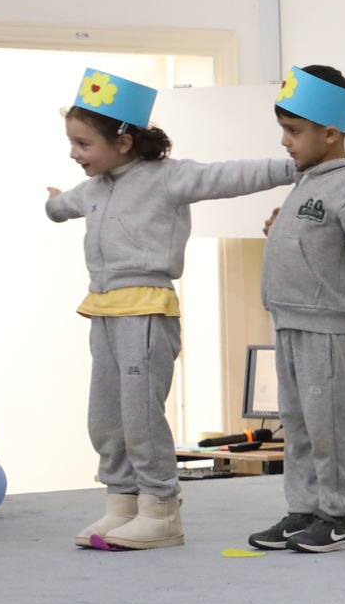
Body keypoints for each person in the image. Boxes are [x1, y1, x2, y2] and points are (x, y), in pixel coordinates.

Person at [48, 69, 294, 550]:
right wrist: (54, 205)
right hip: (103, 312)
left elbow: (229, 176)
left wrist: (292, 169)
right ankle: (122, 502)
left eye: (82, 143)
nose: (74, 153)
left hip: (146, 311)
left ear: (123, 142)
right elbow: (63, 208)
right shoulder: (95, 187)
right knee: (105, 416)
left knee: (140, 415)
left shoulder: (167, 178)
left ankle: (160, 508)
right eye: (71, 142)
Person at [247, 65, 345, 553]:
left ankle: (337, 517)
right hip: (288, 321)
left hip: (325, 327)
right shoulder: (308, 180)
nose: (285, 142)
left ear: (331, 133)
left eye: (293, 131)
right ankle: (303, 509)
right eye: (283, 130)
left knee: (329, 424)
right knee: (296, 424)